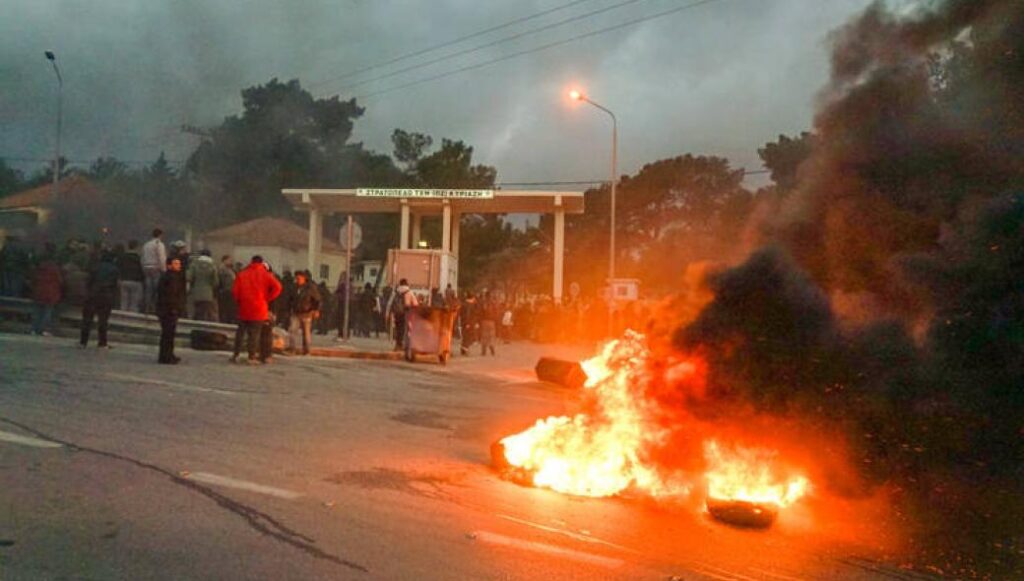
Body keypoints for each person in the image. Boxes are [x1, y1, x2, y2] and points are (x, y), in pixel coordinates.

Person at [231, 255, 282, 365]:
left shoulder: (242, 274)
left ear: (251, 262)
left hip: (244, 307)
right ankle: (251, 356)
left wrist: (239, 300)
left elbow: (235, 291)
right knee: (255, 333)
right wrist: (267, 298)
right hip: (259, 307)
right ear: (262, 262)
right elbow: (278, 287)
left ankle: (236, 354)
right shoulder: (266, 274)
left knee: (240, 332)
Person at [80, 251, 120, 349]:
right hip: (106, 296)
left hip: (92, 295)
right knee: (103, 320)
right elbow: (115, 285)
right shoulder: (115, 269)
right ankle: (102, 342)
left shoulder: (94, 267)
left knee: (87, 319)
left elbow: (88, 281)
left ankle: (83, 341)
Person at [156, 257, 186, 364]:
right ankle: (166, 356)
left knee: (168, 334)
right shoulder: (171, 277)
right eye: (176, 263)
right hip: (168, 310)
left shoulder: (170, 277)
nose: (179, 265)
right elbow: (171, 295)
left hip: (166, 309)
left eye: (179, 263)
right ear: (169, 265)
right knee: (168, 334)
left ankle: (167, 355)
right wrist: (174, 308)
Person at [29, 245, 62, 336]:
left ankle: (34, 329)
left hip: (39, 292)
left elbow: (33, 279)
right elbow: (60, 281)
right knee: (47, 312)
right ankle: (43, 329)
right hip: (51, 293)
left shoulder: (39, 269)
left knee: (37, 312)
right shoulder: (55, 269)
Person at [286, 270, 321, 355]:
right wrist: (288, 309)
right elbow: (289, 300)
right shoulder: (294, 288)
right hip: (295, 312)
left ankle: (306, 350)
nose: (297, 279)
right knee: (292, 330)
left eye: (299, 278)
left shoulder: (310, 288)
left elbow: (317, 300)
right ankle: (292, 349)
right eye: (296, 278)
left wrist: (316, 310)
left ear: (304, 278)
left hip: (307, 312)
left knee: (306, 332)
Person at [187, 249, 219, 322]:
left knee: (197, 312)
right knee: (206, 312)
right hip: (208, 294)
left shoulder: (194, 264)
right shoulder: (213, 265)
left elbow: (189, 277)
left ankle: (195, 328)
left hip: (196, 293)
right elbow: (215, 281)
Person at [387, 278, 418, 351]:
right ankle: (403, 345)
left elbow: (389, 303)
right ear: (407, 284)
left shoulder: (395, 292)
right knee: (406, 330)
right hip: (406, 313)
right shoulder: (410, 292)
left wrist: (387, 313)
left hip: (397, 313)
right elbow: (415, 304)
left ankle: (398, 345)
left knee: (398, 329)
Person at [141, 229, 167, 313]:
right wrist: (164, 269)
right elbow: (161, 257)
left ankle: (146, 307)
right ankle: (155, 308)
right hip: (156, 268)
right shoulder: (159, 244)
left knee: (148, 289)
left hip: (146, 267)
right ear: (160, 235)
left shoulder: (146, 245)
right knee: (156, 289)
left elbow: (143, 257)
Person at [116, 239, 145, 312]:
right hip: (136, 281)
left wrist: (119, 279)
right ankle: (132, 318)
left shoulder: (123, 257)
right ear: (136, 247)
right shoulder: (139, 258)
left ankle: (122, 317)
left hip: (124, 280)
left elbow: (119, 267)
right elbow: (142, 269)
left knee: (124, 302)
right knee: (134, 303)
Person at [216, 255, 237, 323]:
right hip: (226, 291)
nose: (230, 262)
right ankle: (226, 320)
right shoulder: (222, 269)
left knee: (229, 307)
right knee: (226, 308)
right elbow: (220, 280)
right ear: (225, 260)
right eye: (229, 260)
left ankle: (229, 319)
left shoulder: (229, 269)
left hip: (229, 290)